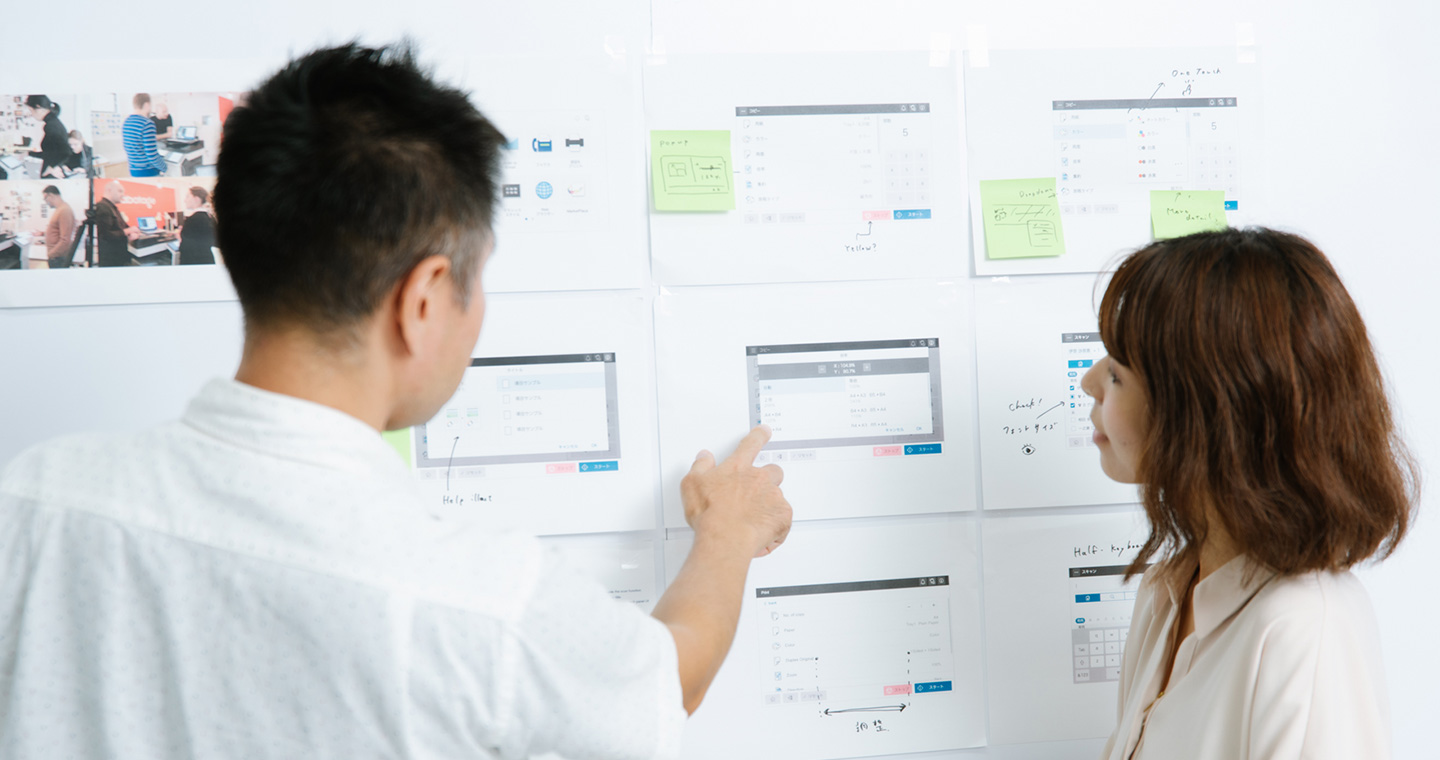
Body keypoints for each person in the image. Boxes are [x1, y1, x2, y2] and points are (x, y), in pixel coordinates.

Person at [0, 42, 793, 759]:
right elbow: (668, 682)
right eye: (475, 281)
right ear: (423, 300)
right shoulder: (479, 590)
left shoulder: (33, 498)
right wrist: (728, 534)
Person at [1085, 228, 1418, 760]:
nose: (1089, 383)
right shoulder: (1166, 592)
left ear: (1202, 413)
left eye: (1118, 373)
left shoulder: (1303, 631)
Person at [91, 179, 139, 267]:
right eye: (120, 191)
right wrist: (128, 231)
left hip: (119, 256)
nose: (123, 195)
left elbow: (122, 227)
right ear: (109, 190)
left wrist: (131, 233)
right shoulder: (102, 207)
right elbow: (106, 235)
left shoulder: (113, 208)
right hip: (111, 260)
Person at [23, 95, 74, 178]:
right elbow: (50, 153)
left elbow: (65, 152)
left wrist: (51, 167)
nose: (31, 114)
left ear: (38, 108)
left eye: (31, 110)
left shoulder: (51, 126)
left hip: (51, 172)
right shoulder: (53, 122)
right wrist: (29, 154)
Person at [122, 93, 168, 177]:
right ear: (147, 105)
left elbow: (126, 147)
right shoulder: (147, 123)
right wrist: (164, 168)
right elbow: (152, 154)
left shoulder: (126, 122)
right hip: (148, 172)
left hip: (133, 170)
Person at [176, 185, 215, 265]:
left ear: (196, 199)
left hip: (193, 263)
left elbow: (185, 248)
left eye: (187, 197)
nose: (185, 200)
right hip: (207, 261)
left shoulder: (192, 220)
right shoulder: (209, 217)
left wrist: (179, 236)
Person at [41, 185, 77, 268]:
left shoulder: (64, 210)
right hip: (57, 257)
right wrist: (42, 233)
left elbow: (65, 240)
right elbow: (57, 230)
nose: (45, 202)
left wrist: (52, 254)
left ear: (50, 196)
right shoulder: (60, 209)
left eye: (45, 199)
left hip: (58, 258)